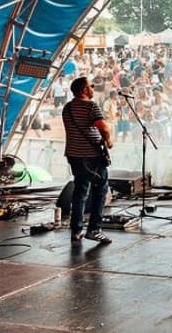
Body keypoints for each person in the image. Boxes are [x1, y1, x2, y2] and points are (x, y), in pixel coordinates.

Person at [62, 77, 113, 246]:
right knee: (100, 190)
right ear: (84, 90)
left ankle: (76, 231)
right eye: (91, 86)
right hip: (91, 156)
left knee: (80, 192)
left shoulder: (67, 108)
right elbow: (103, 127)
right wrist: (109, 141)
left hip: (74, 154)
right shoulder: (90, 106)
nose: (93, 88)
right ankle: (94, 230)